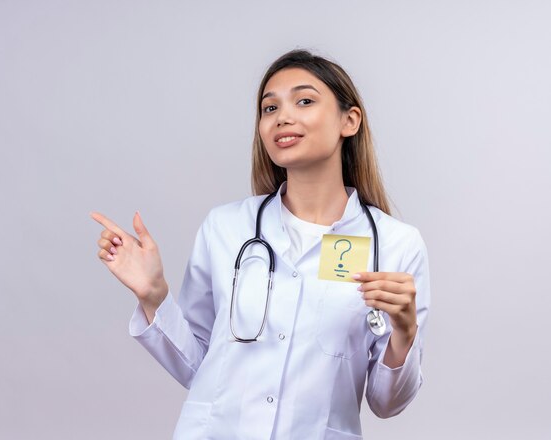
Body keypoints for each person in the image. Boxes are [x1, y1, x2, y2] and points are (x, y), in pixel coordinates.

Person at [90, 49, 430, 440]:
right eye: (269, 108)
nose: (282, 117)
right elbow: (201, 367)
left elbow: (387, 404)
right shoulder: (226, 227)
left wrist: (405, 331)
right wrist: (154, 296)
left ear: (349, 121)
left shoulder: (395, 244)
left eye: (304, 101)